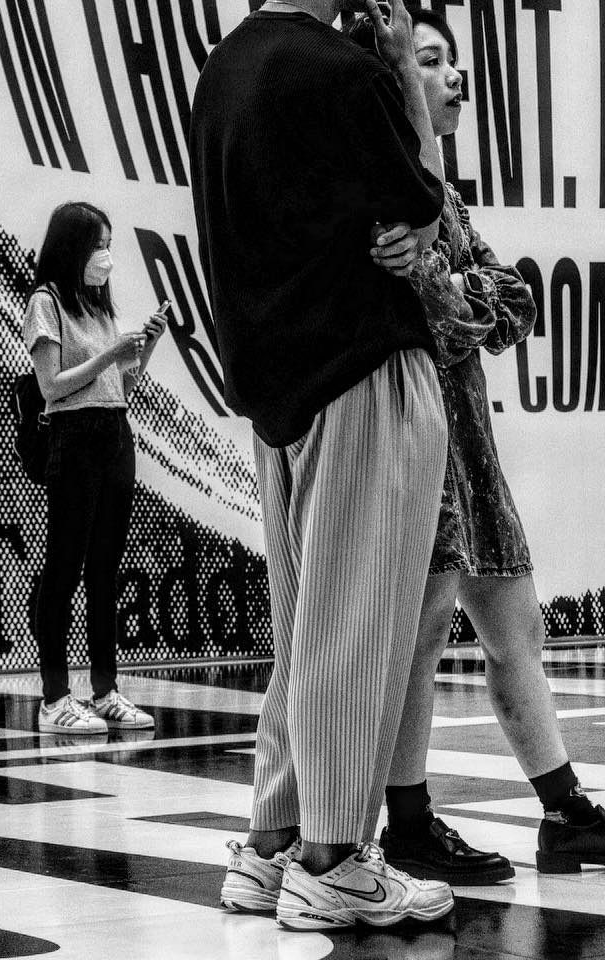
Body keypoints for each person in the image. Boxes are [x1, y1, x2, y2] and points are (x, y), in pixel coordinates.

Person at [191, 0, 454, 930]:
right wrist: (405, 93)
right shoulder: (349, 72)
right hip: (365, 365)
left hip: (278, 387)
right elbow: (433, 212)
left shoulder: (224, 69)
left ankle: (270, 845)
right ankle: (335, 859)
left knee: (307, 623)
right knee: (361, 618)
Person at [346, 8, 605, 883]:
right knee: (420, 635)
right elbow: (454, 312)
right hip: (422, 441)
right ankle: (408, 820)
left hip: (471, 453)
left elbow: (506, 304)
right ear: (394, 81)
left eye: (453, 62)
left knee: (515, 625)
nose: (454, 77)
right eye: (430, 62)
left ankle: (564, 811)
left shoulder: (440, 200)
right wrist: (464, 291)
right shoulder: (387, 192)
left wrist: (462, 287)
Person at [23, 201, 165, 735]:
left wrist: (143, 350)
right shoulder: (47, 300)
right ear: (73, 245)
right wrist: (109, 355)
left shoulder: (98, 305)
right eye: (98, 243)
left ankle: (105, 690)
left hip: (114, 433)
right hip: (73, 437)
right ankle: (54, 695)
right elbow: (52, 385)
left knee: (106, 568)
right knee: (65, 568)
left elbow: (120, 387)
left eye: (108, 244)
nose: (105, 256)